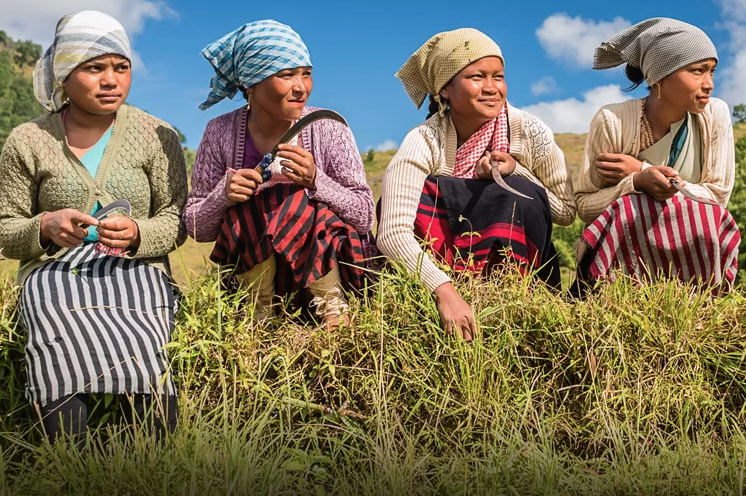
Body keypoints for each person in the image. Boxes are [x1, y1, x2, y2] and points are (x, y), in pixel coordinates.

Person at [0, 11, 187, 443]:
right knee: (51, 308)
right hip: (56, 272)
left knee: (145, 329)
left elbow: (175, 221)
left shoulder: (157, 134)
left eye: (121, 68)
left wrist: (139, 234)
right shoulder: (27, 140)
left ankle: (157, 452)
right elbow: (6, 229)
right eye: (94, 68)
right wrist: (45, 226)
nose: (111, 80)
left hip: (137, 270)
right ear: (64, 75)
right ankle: (69, 456)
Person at [377, 28, 575, 340]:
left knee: (521, 193)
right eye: (477, 77)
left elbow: (565, 211)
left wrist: (516, 171)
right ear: (445, 89)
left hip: (520, 278)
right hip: (442, 274)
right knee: (422, 195)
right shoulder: (425, 141)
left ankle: (516, 297)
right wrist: (444, 291)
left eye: (498, 76)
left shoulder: (530, 132)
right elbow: (392, 233)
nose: (491, 88)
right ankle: (450, 290)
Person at [185, 20, 374, 326]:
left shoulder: (328, 126)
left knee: (294, 201)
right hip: (256, 276)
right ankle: (259, 324)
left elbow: (364, 215)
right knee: (250, 209)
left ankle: (335, 317)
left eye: (306, 74)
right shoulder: (219, 132)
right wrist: (224, 194)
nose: (301, 87)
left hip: (328, 270)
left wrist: (316, 181)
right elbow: (196, 227)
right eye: (286, 75)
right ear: (252, 84)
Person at [573, 18, 739, 291]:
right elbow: (585, 207)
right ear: (660, 76)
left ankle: (703, 297)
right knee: (630, 208)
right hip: (625, 267)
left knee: (705, 214)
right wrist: (636, 184)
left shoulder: (715, 114)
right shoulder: (613, 120)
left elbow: (717, 199)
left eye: (712, 71)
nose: (709, 84)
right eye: (697, 71)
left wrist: (640, 169)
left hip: (691, 264)